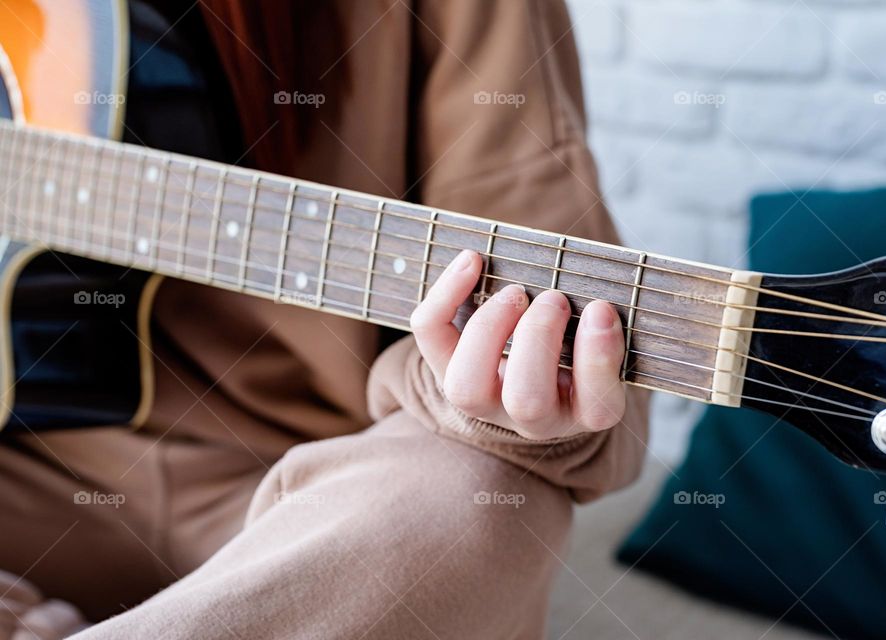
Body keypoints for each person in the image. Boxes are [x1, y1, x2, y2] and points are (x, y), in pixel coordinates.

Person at [0, 1, 648, 638]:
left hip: (312, 499)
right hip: (30, 485)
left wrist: (492, 397)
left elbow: (577, 327)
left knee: (483, 502)